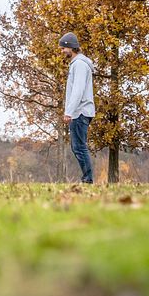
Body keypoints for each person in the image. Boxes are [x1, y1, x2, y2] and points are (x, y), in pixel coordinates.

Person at [59, 32, 95, 183]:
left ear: (71, 47)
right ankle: (87, 179)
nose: (62, 52)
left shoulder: (79, 65)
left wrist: (69, 112)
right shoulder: (77, 64)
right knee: (77, 147)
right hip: (80, 111)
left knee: (79, 147)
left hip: (80, 111)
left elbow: (78, 90)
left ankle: (87, 180)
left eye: (63, 48)